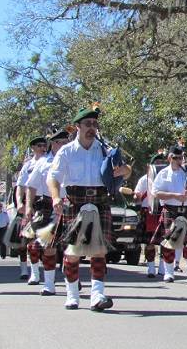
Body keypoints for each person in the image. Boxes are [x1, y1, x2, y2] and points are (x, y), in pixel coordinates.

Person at [47, 104, 131, 311]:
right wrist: (56, 197)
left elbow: (127, 169)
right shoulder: (66, 152)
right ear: (78, 126)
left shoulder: (105, 149)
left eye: (94, 124)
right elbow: (53, 178)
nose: (92, 127)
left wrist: (124, 171)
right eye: (87, 124)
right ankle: (72, 294)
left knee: (99, 252)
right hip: (75, 203)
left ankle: (97, 295)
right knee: (72, 252)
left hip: (100, 203)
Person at [24, 128, 70, 295]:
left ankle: (72, 279)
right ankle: (49, 284)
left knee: (71, 246)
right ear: (54, 144)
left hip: (72, 204)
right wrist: (28, 206)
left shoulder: (74, 159)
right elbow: (31, 186)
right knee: (49, 245)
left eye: (67, 142)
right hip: (48, 205)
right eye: (62, 143)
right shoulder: (43, 162)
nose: (65, 145)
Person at [151, 145, 187, 283]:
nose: (179, 160)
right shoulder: (163, 173)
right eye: (175, 158)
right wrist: (174, 195)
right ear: (169, 158)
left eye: (181, 157)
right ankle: (169, 272)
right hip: (171, 209)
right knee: (169, 243)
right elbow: (156, 192)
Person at [16, 136, 48, 279]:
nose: (43, 148)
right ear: (33, 148)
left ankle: (55, 271)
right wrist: (19, 203)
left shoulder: (50, 161)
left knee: (50, 241)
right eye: (40, 145)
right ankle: (26, 271)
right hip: (30, 204)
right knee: (25, 240)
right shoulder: (27, 166)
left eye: (44, 145)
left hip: (47, 203)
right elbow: (21, 187)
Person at [133, 151, 168, 278]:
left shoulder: (167, 178)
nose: (159, 166)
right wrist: (137, 196)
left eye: (161, 163)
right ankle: (151, 268)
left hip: (163, 211)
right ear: (151, 166)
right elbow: (136, 198)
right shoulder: (144, 180)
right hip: (148, 212)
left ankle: (163, 267)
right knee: (150, 243)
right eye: (157, 163)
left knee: (165, 241)